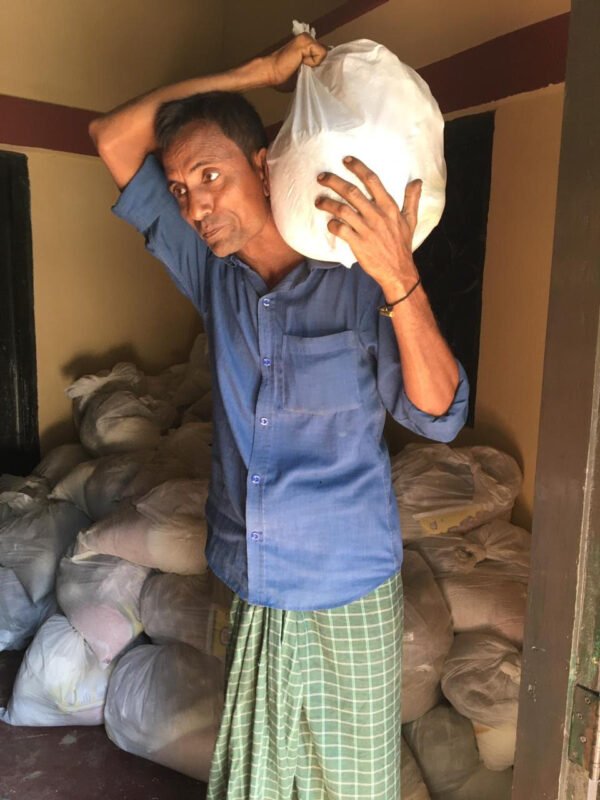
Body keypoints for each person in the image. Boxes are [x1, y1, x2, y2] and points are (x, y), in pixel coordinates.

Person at [90, 32, 468, 800]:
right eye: (180, 188)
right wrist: (254, 74)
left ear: (263, 166)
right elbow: (110, 137)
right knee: (260, 784)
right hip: (252, 583)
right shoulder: (212, 274)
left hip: (347, 592)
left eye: (211, 175)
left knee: (352, 788)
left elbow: (440, 416)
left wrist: (401, 279)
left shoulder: (353, 280)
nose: (196, 204)